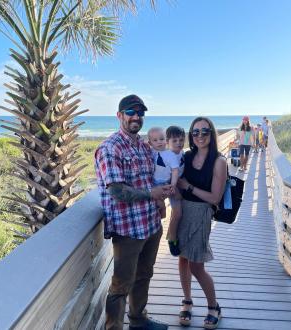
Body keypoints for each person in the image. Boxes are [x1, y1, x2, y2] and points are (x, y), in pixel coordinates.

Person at [95, 94, 171, 330]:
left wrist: (161, 198)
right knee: (120, 285)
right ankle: (114, 327)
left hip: (150, 224)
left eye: (140, 113)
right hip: (128, 230)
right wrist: (152, 194)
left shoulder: (143, 146)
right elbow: (117, 190)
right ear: (119, 116)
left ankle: (138, 320)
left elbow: (150, 179)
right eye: (130, 112)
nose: (136, 116)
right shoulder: (110, 148)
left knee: (144, 275)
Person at [177, 117, 227, 329]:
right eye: (195, 132)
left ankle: (214, 306)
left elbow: (215, 198)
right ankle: (187, 301)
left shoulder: (219, 161)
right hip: (182, 212)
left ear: (211, 134)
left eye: (204, 131)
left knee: (197, 265)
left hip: (201, 213)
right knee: (182, 259)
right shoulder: (187, 156)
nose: (199, 136)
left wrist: (188, 187)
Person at [147, 126, 185, 256]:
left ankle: (172, 238)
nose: (179, 143)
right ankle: (164, 232)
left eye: (181, 140)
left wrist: (174, 186)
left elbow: (177, 171)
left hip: (172, 186)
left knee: (178, 212)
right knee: (161, 210)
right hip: (158, 186)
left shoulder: (179, 154)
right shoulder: (155, 152)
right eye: (174, 141)